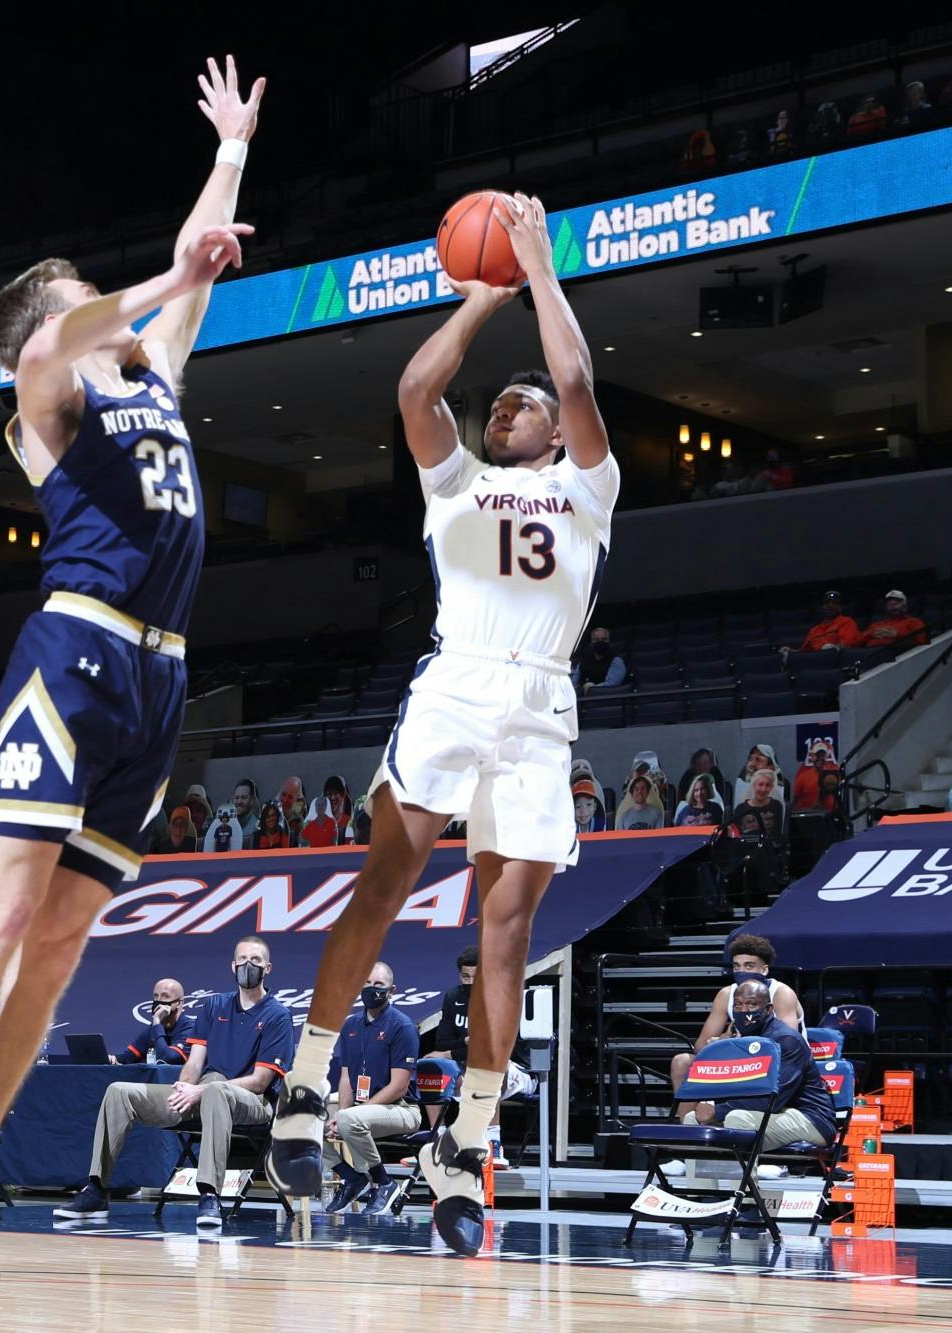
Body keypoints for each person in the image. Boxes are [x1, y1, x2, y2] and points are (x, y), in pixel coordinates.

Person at [0, 56, 263, 1296]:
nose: (113, 305)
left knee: (57, 950)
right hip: (76, 649)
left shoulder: (147, 373)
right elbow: (81, 318)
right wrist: (175, 269)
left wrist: (226, 154)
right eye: (83, 296)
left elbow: (183, 278)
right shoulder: (43, 388)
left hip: (158, 681)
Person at [267, 189, 620, 1258]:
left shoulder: (589, 488)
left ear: (555, 433)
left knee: (502, 934)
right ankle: (302, 1084)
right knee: (387, 877)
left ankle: (465, 1144)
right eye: (499, 402)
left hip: (539, 704)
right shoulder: (456, 483)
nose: (505, 408)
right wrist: (479, 295)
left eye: (520, 404)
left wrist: (542, 273)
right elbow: (417, 386)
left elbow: (572, 375)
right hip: (456, 684)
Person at [56, 936, 290, 1228]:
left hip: (253, 1102)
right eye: (242, 960)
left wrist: (201, 1089)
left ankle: (209, 1195)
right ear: (232, 965)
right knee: (118, 1092)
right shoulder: (214, 1006)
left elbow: (260, 1080)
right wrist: (183, 1088)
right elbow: (194, 1063)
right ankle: (97, 1189)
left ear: (268, 968)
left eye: (255, 961)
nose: (247, 966)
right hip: (204, 1090)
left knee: (217, 1089)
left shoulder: (277, 1015)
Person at [680, 981, 834, 1163]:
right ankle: (701, 1191)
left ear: (768, 1009)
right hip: (764, 1114)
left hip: (809, 1118)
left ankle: (741, 1191)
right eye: (738, 1005)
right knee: (692, 1120)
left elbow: (772, 1100)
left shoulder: (785, 1040)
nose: (744, 1010)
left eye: (752, 1004)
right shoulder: (742, 1042)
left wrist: (717, 1111)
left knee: (737, 1118)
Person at [668, 934, 805, 1132]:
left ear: (764, 969)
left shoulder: (781, 993)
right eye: (736, 966)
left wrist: (735, 1043)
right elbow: (701, 1045)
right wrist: (723, 1041)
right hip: (742, 1061)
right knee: (683, 1062)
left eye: (749, 966)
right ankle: (687, 1138)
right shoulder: (727, 994)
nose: (741, 971)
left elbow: (784, 1044)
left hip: (779, 1064)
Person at [324, 961, 422, 1216]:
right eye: (366, 984)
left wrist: (350, 1116)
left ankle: (384, 1183)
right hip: (358, 1109)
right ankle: (352, 1177)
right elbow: (345, 1077)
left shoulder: (402, 1027)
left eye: (378, 985)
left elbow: (399, 1087)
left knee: (349, 1119)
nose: (371, 989)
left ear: (392, 990)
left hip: (401, 1110)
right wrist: (341, 1115)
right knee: (296, 1121)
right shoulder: (350, 1025)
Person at [112, 978, 194, 1065]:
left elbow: (167, 1058)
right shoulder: (153, 1028)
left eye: (165, 996)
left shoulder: (190, 1028)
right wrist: (112, 1058)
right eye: (156, 996)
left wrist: (157, 1023)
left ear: (179, 1003)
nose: (159, 1001)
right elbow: (127, 1057)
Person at [858, 590, 928, 652]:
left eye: (896, 604)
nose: (892, 607)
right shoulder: (876, 624)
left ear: (905, 606)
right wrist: (870, 634)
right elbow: (856, 642)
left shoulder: (914, 622)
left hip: (897, 655)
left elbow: (921, 644)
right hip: (869, 654)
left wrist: (896, 634)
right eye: (889, 604)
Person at [790, 592, 860, 653]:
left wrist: (831, 649)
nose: (830, 605)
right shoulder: (814, 630)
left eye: (834, 603)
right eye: (827, 603)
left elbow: (847, 646)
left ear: (840, 607)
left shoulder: (847, 622)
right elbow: (804, 652)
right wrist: (791, 651)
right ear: (822, 607)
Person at [792, 739, 841, 811]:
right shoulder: (802, 777)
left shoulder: (834, 776)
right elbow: (794, 805)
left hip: (830, 817)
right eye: (817, 755)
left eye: (822, 755)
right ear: (812, 757)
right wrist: (809, 810)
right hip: (808, 818)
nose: (820, 758)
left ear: (826, 757)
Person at [229, 777, 260, 843]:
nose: (239, 802)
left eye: (244, 797)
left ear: (252, 800)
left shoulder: (257, 828)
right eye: (236, 798)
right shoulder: (226, 824)